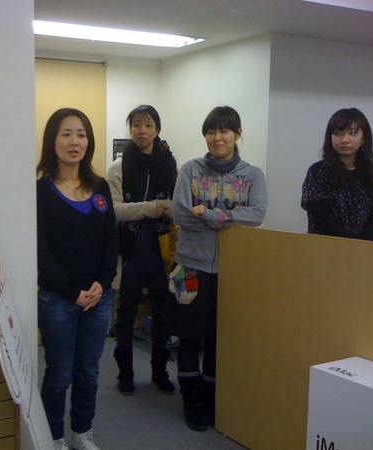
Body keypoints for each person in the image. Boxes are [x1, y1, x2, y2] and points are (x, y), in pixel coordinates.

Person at [171, 106, 267, 432]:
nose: (217, 137)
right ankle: (190, 398)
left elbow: (257, 214)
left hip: (232, 270)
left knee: (218, 336)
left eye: (225, 130)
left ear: (238, 134)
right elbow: (180, 215)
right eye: (211, 131)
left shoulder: (252, 175)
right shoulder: (190, 170)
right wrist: (230, 218)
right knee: (188, 335)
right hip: (186, 267)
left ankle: (211, 397)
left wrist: (211, 215)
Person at [36, 108, 118, 450]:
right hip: (58, 298)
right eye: (66, 133)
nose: (75, 142)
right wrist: (72, 292)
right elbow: (41, 253)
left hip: (99, 297)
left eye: (81, 134)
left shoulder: (100, 187)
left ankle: (82, 432)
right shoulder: (40, 191)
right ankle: (53, 437)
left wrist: (104, 281)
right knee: (58, 375)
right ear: (52, 140)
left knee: (89, 372)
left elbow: (111, 240)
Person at [106, 105, 178, 396]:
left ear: (157, 130)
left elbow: (178, 205)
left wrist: (166, 208)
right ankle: (125, 373)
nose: (142, 131)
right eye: (136, 125)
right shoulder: (118, 166)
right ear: (130, 129)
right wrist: (148, 208)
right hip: (132, 250)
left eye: (148, 125)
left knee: (162, 315)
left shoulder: (169, 163)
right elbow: (113, 209)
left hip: (162, 250)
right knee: (126, 315)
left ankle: (160, 372)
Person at [301, 108, 373, 240]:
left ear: (363, 138)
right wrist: (349, 244)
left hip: (363, 248)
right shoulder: (317, 172)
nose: (345, 140)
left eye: (352, 133)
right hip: (325, 245)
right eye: (338, 133)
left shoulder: (372, 175)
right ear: (330, 137)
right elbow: (321, 219)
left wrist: (361, 245)